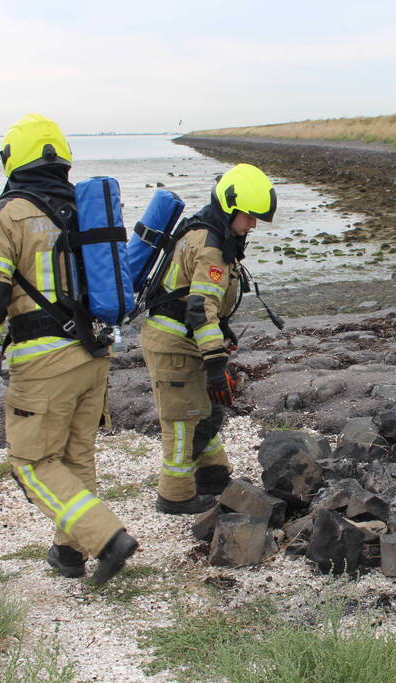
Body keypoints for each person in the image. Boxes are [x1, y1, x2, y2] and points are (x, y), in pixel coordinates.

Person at [0, 113, 136, 584]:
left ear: (12, 160)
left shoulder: (3, 217)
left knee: (32, 462)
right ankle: (69, 554)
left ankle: (106, 538)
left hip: (43, 362)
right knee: (76, 456)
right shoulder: (84, 209)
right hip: (95, 354)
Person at [140, 163, 276, 514]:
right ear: (230, 207)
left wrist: (219, 341)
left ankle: (214, 477)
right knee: (182, 421)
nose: (253, 224)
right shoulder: (211, 246)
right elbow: (201, 308)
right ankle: (175, 495)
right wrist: (216, 362)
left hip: (186, 341)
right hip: (174, 345)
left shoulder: (215, 234)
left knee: (204, 412)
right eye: (249, 217)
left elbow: (202, 304)